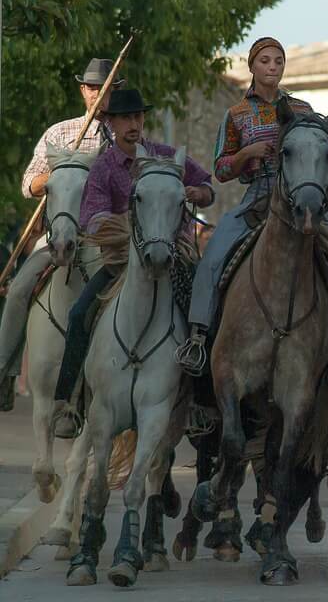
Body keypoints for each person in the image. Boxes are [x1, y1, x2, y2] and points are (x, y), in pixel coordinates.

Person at [175, 36, 328, 374]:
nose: (272, 67)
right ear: (252, 66)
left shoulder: (302, 110)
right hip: (257, 196)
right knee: (213, 256)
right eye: (265, 61)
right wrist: (246, 154)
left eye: (278, 61)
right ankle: (198, 337)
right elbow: (221, 170)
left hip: (304, 197)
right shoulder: (236, 114)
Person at [52, 89, 214, 431]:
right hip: (122, 258)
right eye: (125, 118)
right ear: (110, 123)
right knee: (81, 311)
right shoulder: (104, 167)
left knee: (203, 311)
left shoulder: (167, 156)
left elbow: (206, 186)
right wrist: (122, 228)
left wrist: (198, 193)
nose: (134, 124)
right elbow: (91, 216)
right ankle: (70, 402)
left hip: (174, 253)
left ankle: (202, 402)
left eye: (138, 117)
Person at [0, 58, 123, 411]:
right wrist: (61, 173)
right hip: (60, 230)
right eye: (94, 88)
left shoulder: (124, 134)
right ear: (83, 90)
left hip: (106, 237)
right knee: (20, 288)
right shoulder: (60, 132)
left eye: (107, 88)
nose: (100, 94)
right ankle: (5, 372)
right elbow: (28, 184)